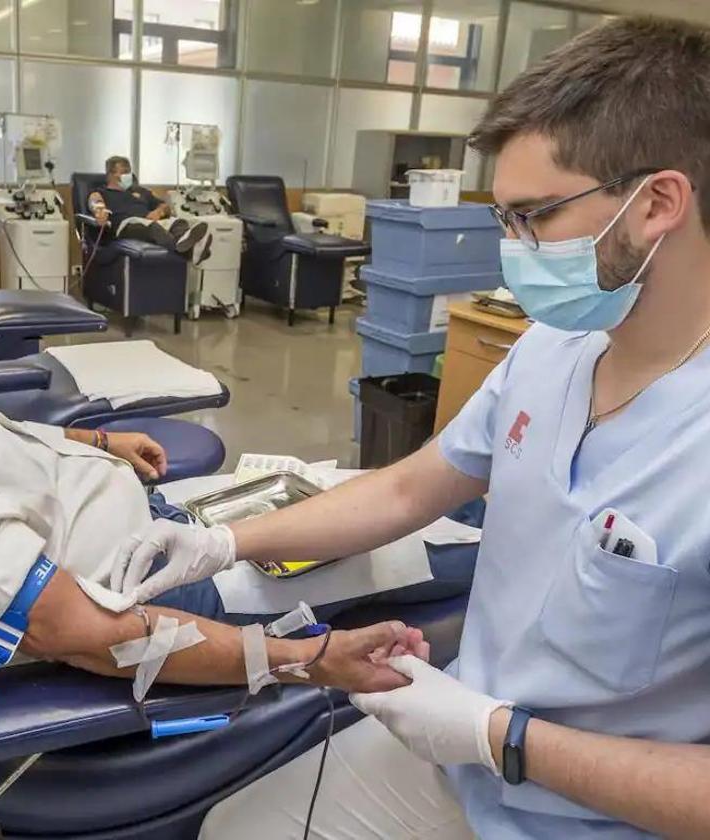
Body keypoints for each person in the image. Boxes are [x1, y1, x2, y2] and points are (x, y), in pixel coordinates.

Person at [120, 16, 710, 840]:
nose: (515, 250)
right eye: (503, 218)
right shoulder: (554, 349)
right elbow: (407, 486)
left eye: (534, 216)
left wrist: (502, 738)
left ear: (658, 204)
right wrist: (225, 543)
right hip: (463, 754)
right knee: (232, 829)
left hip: (594, 811)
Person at [0, 186, 424, 697]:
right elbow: (105, 639)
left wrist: (91, 440)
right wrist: (303, 659)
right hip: (162, 592)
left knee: (326, 488)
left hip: (157, 530)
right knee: (423, 540)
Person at [88, 155, 213, 263]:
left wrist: (159, 212)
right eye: (124, 171)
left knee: (178, 223)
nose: (128, 175)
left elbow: (165, 206)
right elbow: (95, 200)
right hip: (127, 225)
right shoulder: (102, 192)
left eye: (129, 171)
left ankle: (191, 248)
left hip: (151, 222)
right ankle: (192, 251)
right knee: (154, 228)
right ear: (111, 174)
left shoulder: (141, 191)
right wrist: (99, 211)